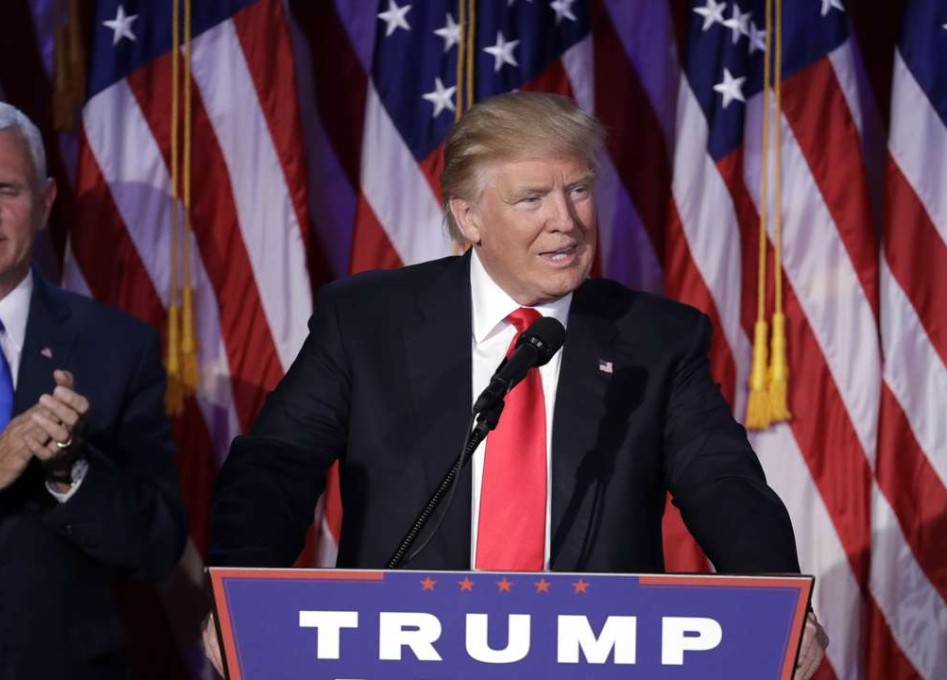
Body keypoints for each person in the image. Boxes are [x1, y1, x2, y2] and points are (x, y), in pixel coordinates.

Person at [207, 92, 827, 677]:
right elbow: (277, 466)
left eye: (579, 190)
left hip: (595, 656)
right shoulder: (367, 322)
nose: (566, 221)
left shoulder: (657, 338)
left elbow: (722, 482)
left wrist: (776, 598)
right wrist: (239, 590)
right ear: (469, 216)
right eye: (531, 199)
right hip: (401, 654)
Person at [0, 103, 187, 678]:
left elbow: (156, 544)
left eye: (5, 190)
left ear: (45, 203)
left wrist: (70, 472)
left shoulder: (115, 346)